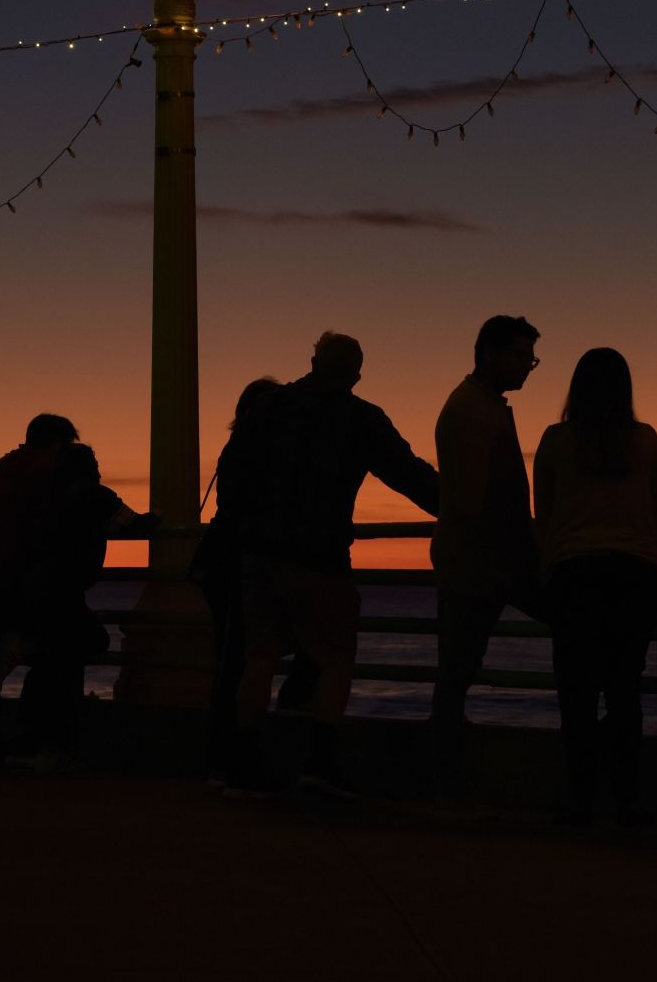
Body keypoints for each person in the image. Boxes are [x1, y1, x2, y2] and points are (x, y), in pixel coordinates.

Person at [228, 333, 438, 800]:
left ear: (312, 361)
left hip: (261, 556)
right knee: (336, 657)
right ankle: (319, 764)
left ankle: (242, 765)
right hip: (321, 558)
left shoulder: (268, 408)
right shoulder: (360, 418)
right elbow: (408, 474)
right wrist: (461, 507)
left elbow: (235, 471)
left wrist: (244, 533)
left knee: (259, 657)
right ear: (356, 374)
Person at [534, 348, 657, 827]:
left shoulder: (554, 442)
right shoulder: (646, 442)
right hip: (635, 576)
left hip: (573, 577)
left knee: (577, 693)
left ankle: (581, 798)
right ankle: (627, 797)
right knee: (624, 692)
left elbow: (544, 520)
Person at [0, 416, 152, 770]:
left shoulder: (5, 466)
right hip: (33, 580)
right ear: (58, 443)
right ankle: (48, 743)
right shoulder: (56, 476)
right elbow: (120, 518)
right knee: (64, 653)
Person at [429, 315, 542, 799]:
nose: (527, 367)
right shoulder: (473, 411)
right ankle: (444, 775)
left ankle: (445, 771)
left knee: (457, 668)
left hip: (483, 559)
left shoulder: (479, 405)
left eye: (530, 358)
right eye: (519, 355)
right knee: (456, 670)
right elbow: (473, 501)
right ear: (488, 352)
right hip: (483, 562)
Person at [196, 378, 286, 784]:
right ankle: (227, 760)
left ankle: (224, 758)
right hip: (237, 564)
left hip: (224, 563)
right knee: (237, 661)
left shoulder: (238, 448)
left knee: (235, 660)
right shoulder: (261, 451)